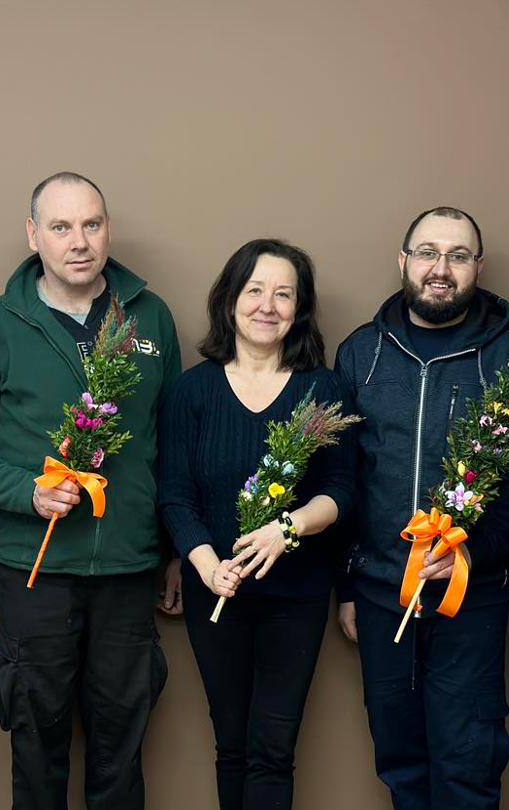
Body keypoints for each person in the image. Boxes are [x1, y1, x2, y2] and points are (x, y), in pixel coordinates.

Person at [0, 172, 183, 809]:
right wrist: (29, 492)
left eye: (92, 225)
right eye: (61, 227)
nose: (80, 241)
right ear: (33, 235)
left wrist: (174, 549)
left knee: (121, 753)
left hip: (129, 568)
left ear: (108, 230)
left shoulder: (150, 316)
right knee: (36, 750)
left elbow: (170, 440)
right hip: (36, 569)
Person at [332, 206, 509, 809]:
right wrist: (347, 585)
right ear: (403, 261)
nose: (441, 268)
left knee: (467, 759)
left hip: (472, 592)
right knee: (399, 758)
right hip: (381, 592)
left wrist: (470, 554)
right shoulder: (360, 353)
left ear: (477, 267)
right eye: (427, 252)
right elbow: (344, 476)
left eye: (457, 256)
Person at [156, 238, 354, 809]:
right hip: (214, 588)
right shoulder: (191, 391)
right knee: (232, 746)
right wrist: (207, 565)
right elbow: (175, 495)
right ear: (230, 300)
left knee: (273, 749)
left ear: (300, 308)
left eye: (284, 294)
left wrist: (287, 529)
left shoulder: (324, 389)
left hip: (298, 594)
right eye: (255, 290)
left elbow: (343, 491)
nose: (268, 305)